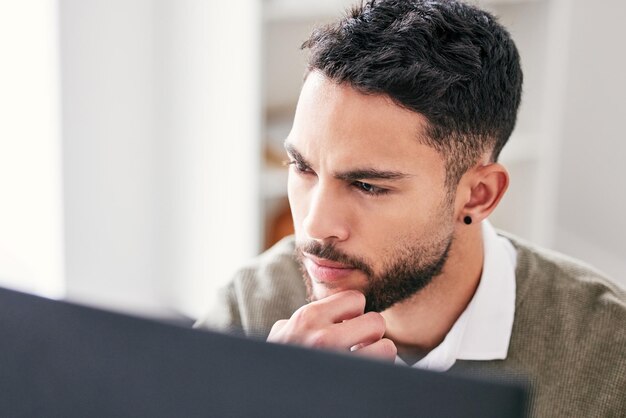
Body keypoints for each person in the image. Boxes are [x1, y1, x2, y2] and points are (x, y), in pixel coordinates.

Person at [195, 0, 626, 416]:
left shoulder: (609, 353)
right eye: (302, 167)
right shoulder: (249, 309)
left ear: (478, 195)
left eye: (367, 185)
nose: (314, 225)